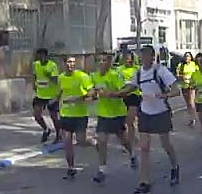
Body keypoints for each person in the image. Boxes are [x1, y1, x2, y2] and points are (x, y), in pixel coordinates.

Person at [114, 46, 181, 194]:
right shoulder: (138, 73)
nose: (145, 58)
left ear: (153, 57)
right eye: (142, 55)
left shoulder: (161, 71)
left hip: (161, 111)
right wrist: (115, 94)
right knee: (144, 147)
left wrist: (165, 95)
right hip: (145, 112)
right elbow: (131, 87)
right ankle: (144, 182)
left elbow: (177, 90)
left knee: (166, 144)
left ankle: (175, 166)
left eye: (148, 56)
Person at [89, 53, 135, 183]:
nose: (102, 63)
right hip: (103, 114)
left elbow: (124, 91)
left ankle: (132, 154)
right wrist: (92, 94)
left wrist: (110, 94)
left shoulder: (115, 76)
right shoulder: (94, 76)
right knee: (102, 140)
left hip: (117, 113)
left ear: (109, 63)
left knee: (123, 139)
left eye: (105, 60)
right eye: (100, 60)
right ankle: (102, 170)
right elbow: (93, 90)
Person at [57, 56, 96, 179]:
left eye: (73, 62)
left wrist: (80, 98)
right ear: (64, 63)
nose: (71, 64)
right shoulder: (61, 77)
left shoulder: (82, 76)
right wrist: (56, 104)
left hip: (80, 114)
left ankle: (94, 142)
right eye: (69, 62)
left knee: (81, 141)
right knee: (67, 142)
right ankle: (71, 167)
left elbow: (92, 92)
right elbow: (60, 93)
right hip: (66, 114)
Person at [32, 48, 62, 144]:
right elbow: (35, 75)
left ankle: (59, 135)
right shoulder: (36, 65)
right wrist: (34, 83)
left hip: (51, 96)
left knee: (54, 117)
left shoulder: (52, 66)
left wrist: (48, 75)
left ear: (46, 56)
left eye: (42, 56)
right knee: (37, 115)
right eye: (39, 56)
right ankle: (46, 129)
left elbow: (55, 80)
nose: (41, 58)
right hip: (40, 95)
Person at [116, 53, 140, 169]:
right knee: (124, 122)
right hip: (122, 95)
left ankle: (132, 143)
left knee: (130, 121)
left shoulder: (137, 70)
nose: (128, 62)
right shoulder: (119, 70)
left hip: (134, 96)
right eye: (126, 60)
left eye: (130, 60)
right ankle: (130, 140)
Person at [176, 52, 198, 127]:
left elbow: (197, 73)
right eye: (185, 56)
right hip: (184, 86)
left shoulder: (194, 64)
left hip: (192, 86)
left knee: (191, 102)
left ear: (191, 57)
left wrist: (193, 80)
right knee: (188, 103)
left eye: (188, 56)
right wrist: (183, 77)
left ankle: (194, 118)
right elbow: (178, 75)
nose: (186, 58)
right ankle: (191, 118)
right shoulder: (181, 65)